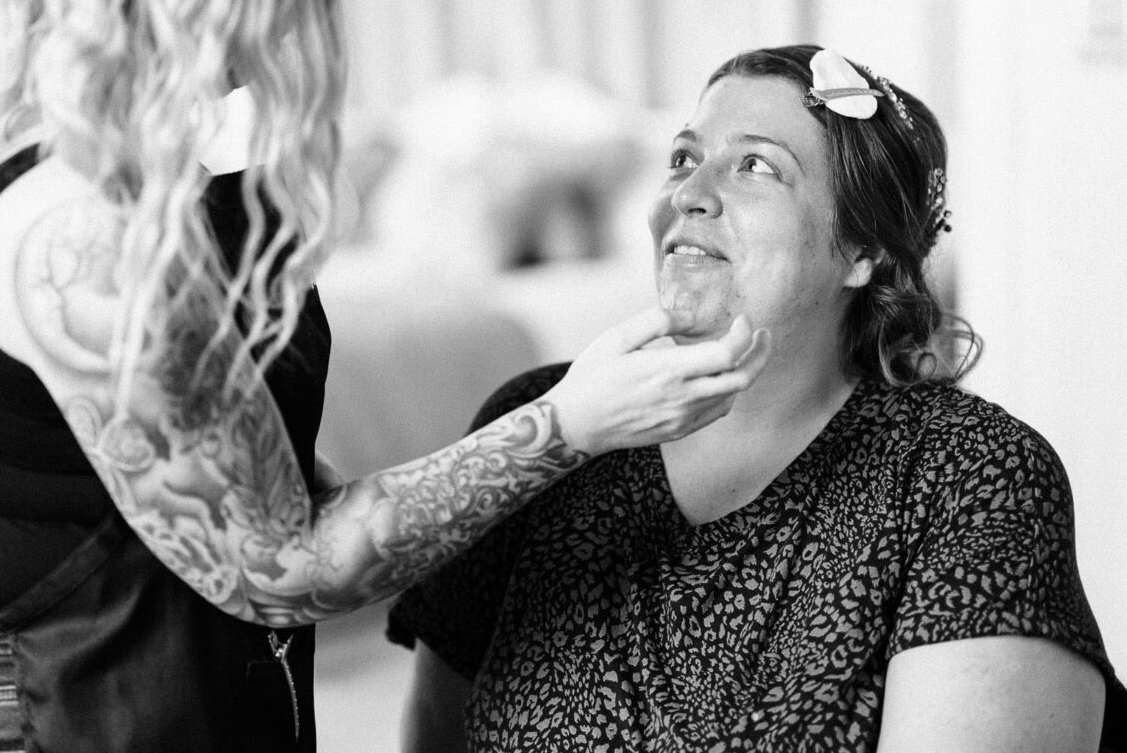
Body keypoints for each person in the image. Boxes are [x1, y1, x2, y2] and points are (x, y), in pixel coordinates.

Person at [0, 0, 772, 752]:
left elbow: (276, 492)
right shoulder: (74, 236)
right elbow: (286, 562)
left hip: (179, 687)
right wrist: (570, 423)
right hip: (65, 709)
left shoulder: (124, 168)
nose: (309, 4)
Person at [389, 44, 1126, 752]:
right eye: (683, 158)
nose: (687, 193)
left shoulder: (971, 474)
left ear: (863, 251)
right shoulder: (537, 424)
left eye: (756, 166)